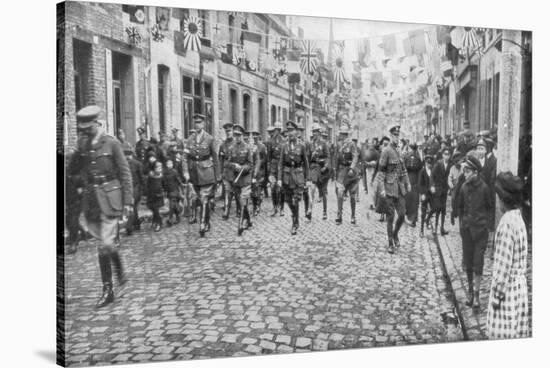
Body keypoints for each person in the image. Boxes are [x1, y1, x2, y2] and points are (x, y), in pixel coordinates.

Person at [67, 105, 132, 308]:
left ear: (97, 122)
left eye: (89, 128)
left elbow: (125, 173)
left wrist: (128, 202)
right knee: (105, 245)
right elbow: (72, 171)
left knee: (104, 245)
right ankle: (118, 265)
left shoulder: (111, 144)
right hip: (92, 200)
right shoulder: (83, 144)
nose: (86, 132)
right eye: (83, 129)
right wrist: (80, 181)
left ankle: (108, 289)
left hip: (111, 197)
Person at [487, 172, 530, 338]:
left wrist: (496, 297)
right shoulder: (519, 219)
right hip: (520, 290)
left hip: (508, 292)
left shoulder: (506, 224)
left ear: (502, 200)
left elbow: (502, 269)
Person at [457, 155, 491, 310]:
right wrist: (462, 225)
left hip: (480, 233)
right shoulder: (463, 187)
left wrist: (485, 226)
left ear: (475, 172)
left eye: (468, 171)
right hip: (467, 232)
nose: (465, 173)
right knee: (469, 264)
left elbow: (489, 208)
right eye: (464, 170)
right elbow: (460, 208)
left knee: (478, 263)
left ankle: (477, 295)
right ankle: (470, 292)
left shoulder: (484, 188)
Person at [182, 114, 220, 237]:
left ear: (203, 124)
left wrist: (217, 176)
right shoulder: (189, 139)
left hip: (207, 172)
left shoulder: (209, 139)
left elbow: (215, 158)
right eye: (196, 123)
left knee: (204, 198)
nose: (197, 125)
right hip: (194, 174)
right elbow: (184, 157)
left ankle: (202, 224)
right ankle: (207, 221)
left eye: (199, 123)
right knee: (201, 199)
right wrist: (186, 172)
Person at [378, 125, 411, 254]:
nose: (396, 138)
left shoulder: (399, 151)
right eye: (394, 135)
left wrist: (407, 183)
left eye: (398, 135)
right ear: (390, 136)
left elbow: (403, 170)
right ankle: (390, 243)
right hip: (389, 188)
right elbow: (381, 172)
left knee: (402, 215)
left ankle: (395, 234)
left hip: (399, 188)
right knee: (390, 217)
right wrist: (381, 189)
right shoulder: (386, 151)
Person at [278, 121, 310, 235]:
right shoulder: (283, 145)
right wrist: (279, 179)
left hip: (298, 175)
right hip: (287, 176)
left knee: (296, 200)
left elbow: (306, 163)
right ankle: (295, 215)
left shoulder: (301, 145)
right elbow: (280, 163)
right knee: (287, 200)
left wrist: (307, 179)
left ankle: (295, 223)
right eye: (288, 131)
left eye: (292, 130)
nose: (290, 133)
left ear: (296, 132)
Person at [224, 124, 256, 235]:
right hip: (236, 179)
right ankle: (249, 221)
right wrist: (234, 165)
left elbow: (251, 164)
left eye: (239, 135)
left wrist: (242, 168)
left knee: (243, 200)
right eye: (235, 135)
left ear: (242, 135)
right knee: (240, 201)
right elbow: (226, 163)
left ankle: (240, 225)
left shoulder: (248, 148)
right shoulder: (231, 148)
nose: (237, 137)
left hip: (246, 178)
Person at [334, 125, 360, 225]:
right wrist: (335, 171)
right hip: (342, 172)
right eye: (341, 134)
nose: (343, 136)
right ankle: (339, 216)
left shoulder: (352, 144)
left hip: (351, 172)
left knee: (352, 196)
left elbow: (355, 157)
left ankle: (353, 216)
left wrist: (352, 168)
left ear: (347, 134)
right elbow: (336, 158)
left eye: (344, 134)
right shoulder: (338, 145)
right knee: (340, 193)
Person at [428, 147, 452, 236]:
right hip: (437, 189)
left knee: (443, 209)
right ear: (442, 155)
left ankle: (442, 228)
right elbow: (432, 176)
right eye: (445, 154)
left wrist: (450, 188)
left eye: (448, 154)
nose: (447, 156)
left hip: (445, 190)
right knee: (437, 208)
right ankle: (435, 229)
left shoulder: (450, 164)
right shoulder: (438, 163)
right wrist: (432, 186)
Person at [309, 123, 331, 220]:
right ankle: (310, 210)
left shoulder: (324, 143)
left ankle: (325, 212)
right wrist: (311, 155)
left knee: (323, 192)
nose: (314, 134)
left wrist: (325, 166)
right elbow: (307, 156)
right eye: (313, 132)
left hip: (323, 170)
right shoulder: (311, 144)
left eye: (316, 132)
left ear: (319, 132)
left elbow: (328, 156)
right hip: (314, 169)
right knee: (312, 189)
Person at [124, 146, 145, 236]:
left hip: (136, 187)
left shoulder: (137, 164)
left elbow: (142, 178)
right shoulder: (122, 165)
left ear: (132, 155)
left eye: (129, 155)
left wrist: (143, 191)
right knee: (133, 207)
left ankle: (129, 227)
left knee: (132, 206)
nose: (127, 157)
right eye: (125, 155)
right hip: (128, 189)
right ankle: (137, 223)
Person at [477, 138, 497, 232]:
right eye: (479, 148)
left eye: (483, 148)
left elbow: (492, 178)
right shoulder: (477, 159)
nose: (480, 150)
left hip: (488, 189)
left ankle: (488, 228)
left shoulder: (492, 160)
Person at [219, 122, 237, 220]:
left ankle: (239, 209)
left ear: (233, 131)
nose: (228, 133)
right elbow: (220, 159)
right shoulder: (223, 145)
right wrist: (220, 173)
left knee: (237, 192)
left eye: (229, 131)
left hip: (235, 172)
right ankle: (227, 211)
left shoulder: (236, 143)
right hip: (227, 172)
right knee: (227, 191)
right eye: (227, 131)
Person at [267, 121, 285, 217]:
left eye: (279, 130)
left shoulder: (284, 141)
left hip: (281, 167)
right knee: (273, 188)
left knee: (281, 189)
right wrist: (269, 170)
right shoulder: (270, 141)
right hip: (273, 167)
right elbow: (269, 157)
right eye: (276, 129)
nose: (277, 131)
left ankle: (282, 208)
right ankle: (275, 208)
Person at [404, 143, 423, 227]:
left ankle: (408, 217)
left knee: (408, 199)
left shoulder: (406, 157)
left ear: (411, 148)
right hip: (416, 180)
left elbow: (403, 169)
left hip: (408, 180)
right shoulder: (418, 158)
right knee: (415, 201)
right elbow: (421, 170)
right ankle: (413, 219)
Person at [251, 130, 267, 216]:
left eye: (256, 135)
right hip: (252, 171)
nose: (254, 137)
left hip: (260, 171)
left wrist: (260, 162)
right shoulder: (251, 146)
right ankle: (254, 206)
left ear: (258, 136)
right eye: (253, 135)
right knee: (253, 190)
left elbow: (265, 158)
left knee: (258, 188)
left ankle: (258, 206)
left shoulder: (262, 146)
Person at [163, 158, 184, 226]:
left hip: (175, 190)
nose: (169, 165)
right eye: (168, 164)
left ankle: (170, 219)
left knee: (172, 205)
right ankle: (178, 217)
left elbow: (179, 180)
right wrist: (164, 190)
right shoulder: (164, 172)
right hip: (169, 191)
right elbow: (164, 182)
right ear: (166, 165)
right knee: (174, 205)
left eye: (171, 164)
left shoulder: (174, 172)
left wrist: (182, 188)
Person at [418, 155, 434, 237]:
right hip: (425, 194)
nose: (429, 165)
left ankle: (427, 220)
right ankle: (421, 231)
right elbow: (420, 184)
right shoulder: (422, 171)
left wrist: (434, 188)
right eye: (428, 163)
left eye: (430, 163)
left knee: (434, 208)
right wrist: (422, 194)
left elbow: (434, 181)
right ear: (425, 163)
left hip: (431, 194)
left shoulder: (433, 171)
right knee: (423, 213)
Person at [147, 160, 165, 232]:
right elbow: (148, 185)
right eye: (157, 168)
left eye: (160, 168)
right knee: (153, 208)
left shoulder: (161, 176)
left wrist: (163, 192)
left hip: (159, 195)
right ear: (154, 168)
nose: (159, 169)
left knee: (156, 209)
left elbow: (164, 184)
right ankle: (155, 220)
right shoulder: (151, 176)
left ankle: (159, 223)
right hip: (151, 195)